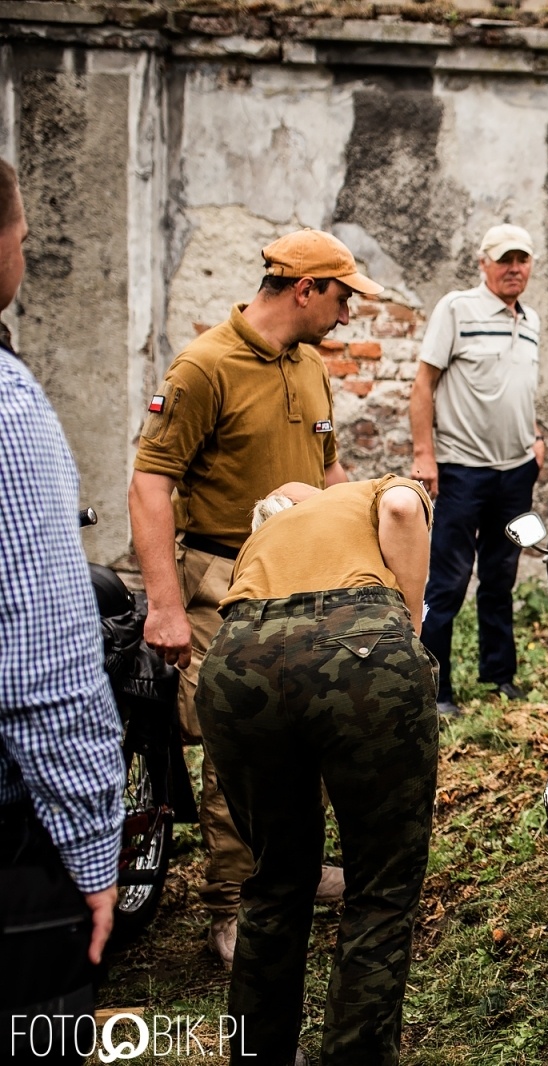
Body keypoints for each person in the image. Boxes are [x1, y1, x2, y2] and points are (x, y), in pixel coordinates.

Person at [129, 229, 382, 967]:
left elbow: (328, 471)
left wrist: (372, 522)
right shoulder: (204, 366)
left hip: (307, 580)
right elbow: (150, 484)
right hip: (223, 581)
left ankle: (294, 870)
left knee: (314, 726)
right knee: (236, 746)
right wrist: (166, 605)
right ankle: (232, 905)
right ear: (305, 289)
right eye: (342, 296)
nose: (348, 314)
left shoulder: (309, 365)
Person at [199, 475, 436, 1066]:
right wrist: (409, 625)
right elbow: (406, 508)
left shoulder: (260, 545)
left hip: (237, 655)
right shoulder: (368, 490)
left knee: (274, 879)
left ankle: (261, 1057)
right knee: (381, 887)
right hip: (358, 641)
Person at [0, 160, 124, 1063]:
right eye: (23, 231)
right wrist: (93, 848)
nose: (28, 247)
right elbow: (43, 666)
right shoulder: (9, 409)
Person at [410, 223, 546, 717]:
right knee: (447, 581)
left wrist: (535, 437)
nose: (515, 268)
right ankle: (436, 688)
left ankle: (499, 676)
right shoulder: (457, 309)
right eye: (505, 259)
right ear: (483, 263)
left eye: (523, 259)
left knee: (500, 576)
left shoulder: (530, 319)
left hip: (515, 473)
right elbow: (424, 384)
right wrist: (425, 455)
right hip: (462, 470)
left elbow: (520, 388)